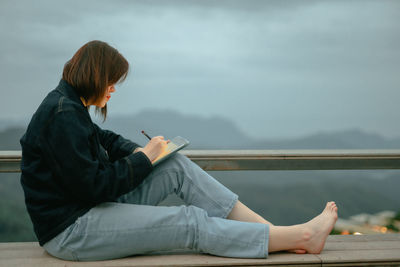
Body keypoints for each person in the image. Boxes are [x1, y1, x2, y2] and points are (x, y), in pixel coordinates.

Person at [20, 40, 338, 261]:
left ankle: (273, 233)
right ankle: (301, 238)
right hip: (72, 231)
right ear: (96, 76)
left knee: (175, 168)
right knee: (188, 223)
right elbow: (94, 186)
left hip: (88, 211)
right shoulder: (63, 116)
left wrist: (151, 153)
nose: (113, 88)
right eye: (112, 81)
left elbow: (106, 140)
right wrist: (144, 158)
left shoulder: (70, 107)